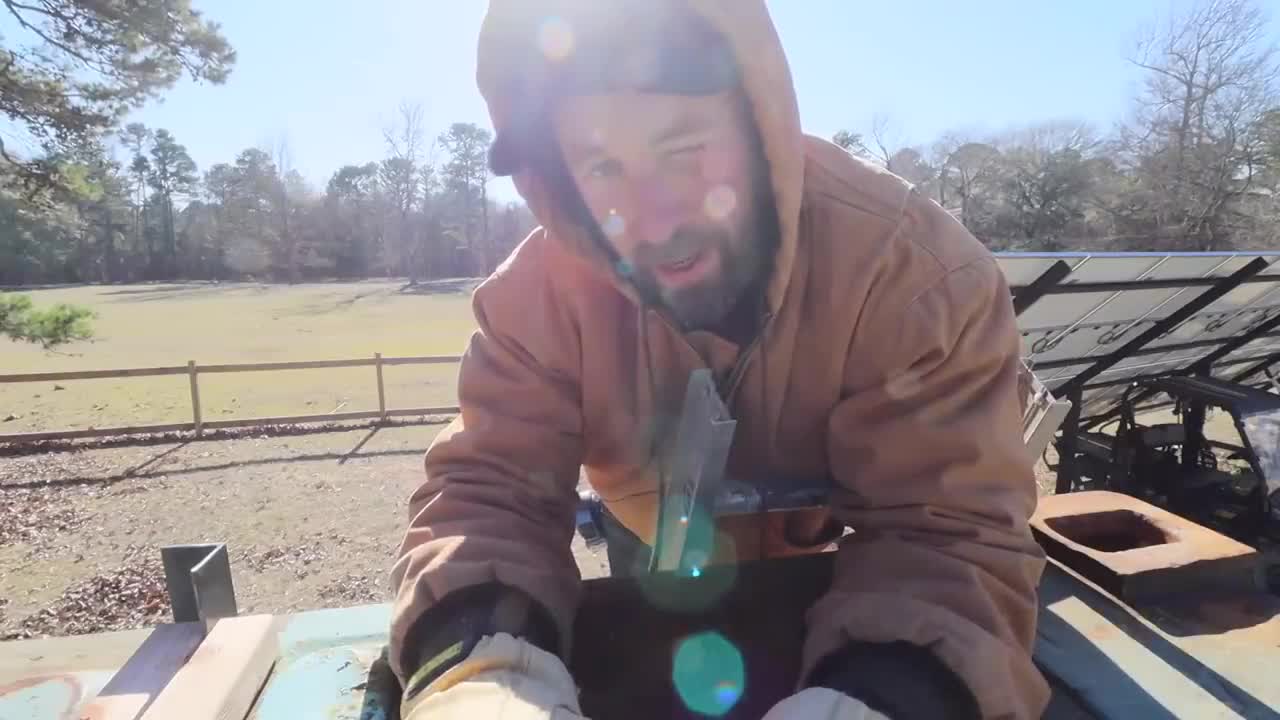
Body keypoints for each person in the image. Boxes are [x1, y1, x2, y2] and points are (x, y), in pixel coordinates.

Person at [389, 1, 1051, 718]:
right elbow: (490, 495)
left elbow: (946, 531)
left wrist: (877, 700)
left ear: (759, 124)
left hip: (838, 565)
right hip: (646, 536)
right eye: (604, 166)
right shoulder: (534, 299)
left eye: (684, 151)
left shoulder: (911, 277)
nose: (656, 218)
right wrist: (483, 672)